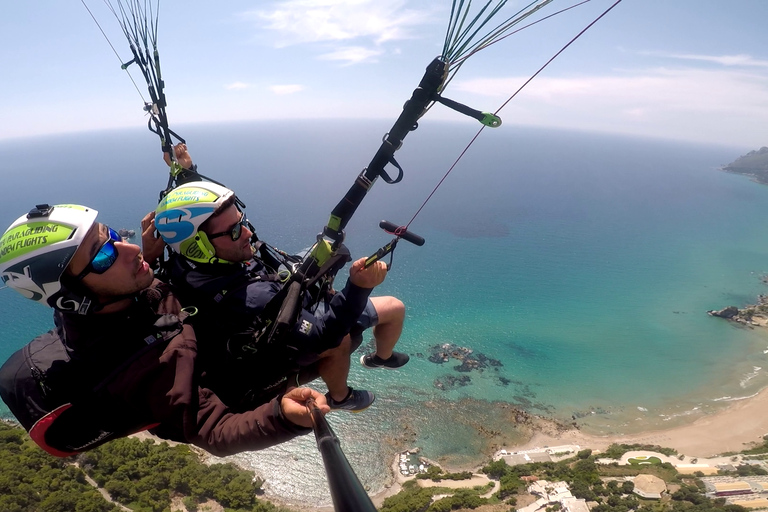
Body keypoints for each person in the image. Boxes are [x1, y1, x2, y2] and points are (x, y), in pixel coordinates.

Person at [0, 203, 337, 458]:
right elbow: (212, 430)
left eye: (113, 235)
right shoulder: (147, 366)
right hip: (224, 385)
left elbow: (152, 289)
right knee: (336, 340)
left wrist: (151, 256)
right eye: (102, 256)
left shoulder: (100, 307)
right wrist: (282, 415)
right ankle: (343, 393)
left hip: (206, 342)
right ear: (71, 297)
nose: (129, 250)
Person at [153, 144, 409, 413]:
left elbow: (193, 219)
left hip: (273, 283)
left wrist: (187, 174)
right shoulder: (251, 298)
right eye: (234, 231)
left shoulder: (186, 261)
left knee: (333, 248)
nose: (247, 234)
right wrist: (359, 287)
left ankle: (380, 358)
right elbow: (324, 336)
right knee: (392, 309)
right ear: (199, 246)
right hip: (286, 329)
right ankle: (345, 393)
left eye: (243, 222)